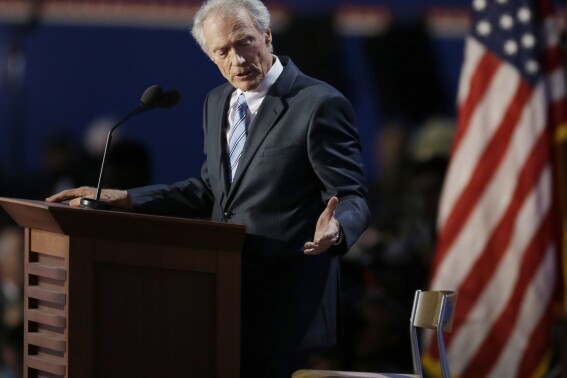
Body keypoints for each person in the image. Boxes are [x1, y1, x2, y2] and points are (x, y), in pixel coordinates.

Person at [46, 0, 370, 376]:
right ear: (211, 57)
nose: (238, 59)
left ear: (267, 36)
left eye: (245, 42)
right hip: (222, 292)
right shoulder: (216, 102)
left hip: (288, 301)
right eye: (223, 51)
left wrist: (338, 228)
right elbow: (210, 190)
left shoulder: (319, 104)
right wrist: (127, 198)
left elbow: (350, 194)